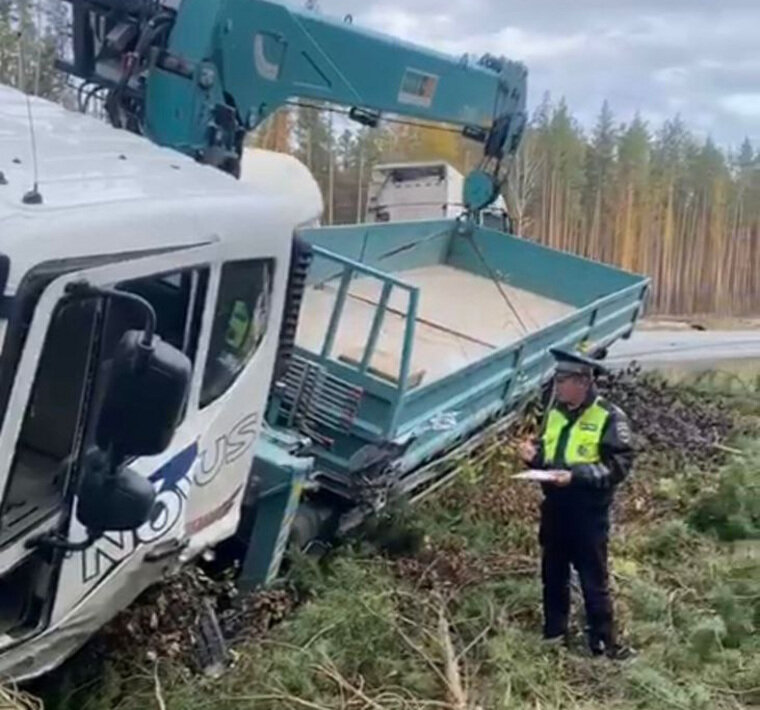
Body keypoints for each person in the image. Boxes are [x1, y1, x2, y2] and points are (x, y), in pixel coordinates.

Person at [518, 347, 635, 660]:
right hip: (555, 508)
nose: (557, 386)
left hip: (588, 512)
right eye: (556, 379)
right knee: (552, 575)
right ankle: (554, 635)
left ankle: (603, 643)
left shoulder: (609, 416)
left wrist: (576, 476)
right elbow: (550, 455)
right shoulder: (555, 413)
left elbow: (618, 466)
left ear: (583, 382)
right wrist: (533, 457)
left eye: (563, 380)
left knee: (592, 580)